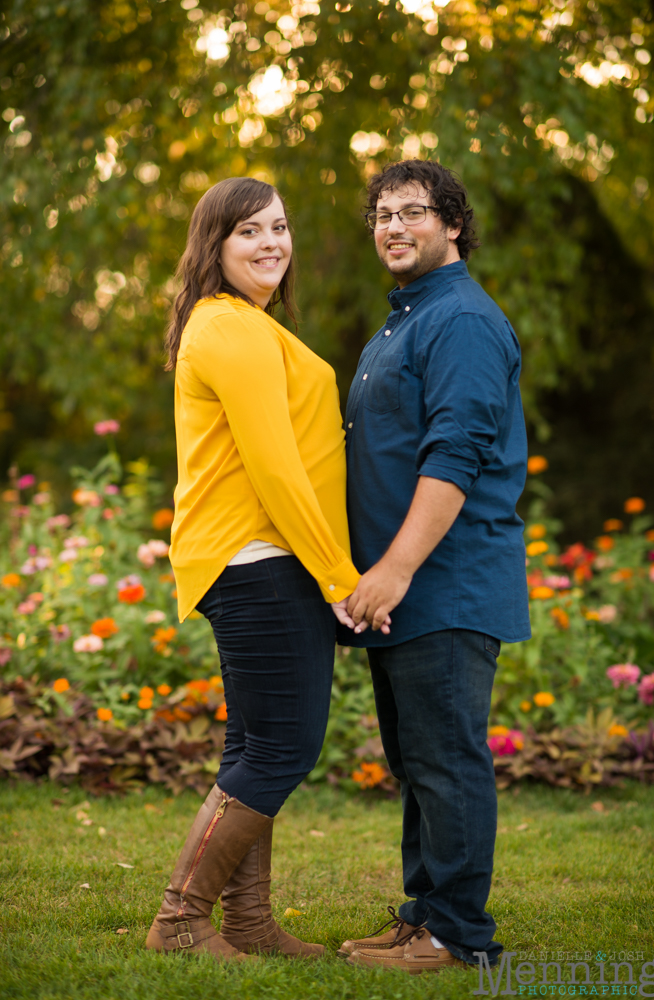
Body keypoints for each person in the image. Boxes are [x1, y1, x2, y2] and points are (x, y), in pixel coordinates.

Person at [146, 176, 369, 963]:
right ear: (215, 245)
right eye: (248, 231)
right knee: (281, 749)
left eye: (278, 226)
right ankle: (179, 920)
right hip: (259, 560)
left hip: (263, 559)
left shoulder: (245, 325)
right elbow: (276, 470)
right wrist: (339, 576)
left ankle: (244, 923)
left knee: (255, 746)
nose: (270, 242)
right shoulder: (229, 328)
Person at [336, 160, 531, 974]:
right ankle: (425, 915)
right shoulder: (409, 317)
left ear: (452, 224)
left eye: (413, 212)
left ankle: (457, 936)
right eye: (382, 214)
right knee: (419, 762)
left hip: (441, 584)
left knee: (446, 762)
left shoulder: (459, 322)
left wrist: (395, 569)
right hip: (406, 592)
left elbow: (454, 457)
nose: (393, 227)